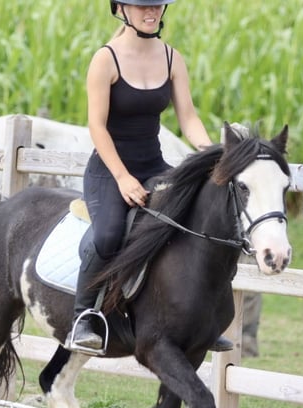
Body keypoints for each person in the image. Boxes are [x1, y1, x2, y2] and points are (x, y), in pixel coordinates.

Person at [67, 0, 233, 354]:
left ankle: (203, 317)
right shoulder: (105, 60)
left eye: (156, 6)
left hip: (153, 165)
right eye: (142, 6)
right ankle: (85, 317)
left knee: (194, 216)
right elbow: (97, 127)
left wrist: (213, 152)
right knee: (109, 234)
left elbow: (188, 118)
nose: (151, 12)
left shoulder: (172, 58)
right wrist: (124, 178)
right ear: (121, 9)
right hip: (109, 170)